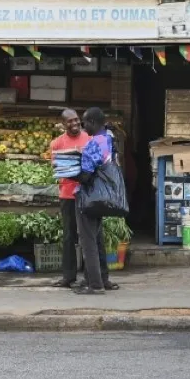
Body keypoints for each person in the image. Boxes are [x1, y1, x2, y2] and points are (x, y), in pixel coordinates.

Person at [72, 107, 118, 296]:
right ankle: (103, 279)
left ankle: (95, 285)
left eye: (85, 123)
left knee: (88, 240)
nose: (83, 127)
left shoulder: (93, 144)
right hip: (102, 197)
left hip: (88, 197)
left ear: (92, 122)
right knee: (97, 238)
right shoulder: (108, 139)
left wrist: (71, 172)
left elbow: (86, 175)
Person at [50, 109, 91, 288]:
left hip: (87, 194)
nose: (74, 124)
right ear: (63, 124)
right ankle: (68, 276)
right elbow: (55, 167)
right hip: (67, 195)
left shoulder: (88, 139)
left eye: (76, 120)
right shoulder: (57, 143)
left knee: (88, 237)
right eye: (70, 121)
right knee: (69, 237)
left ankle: (90, 276)